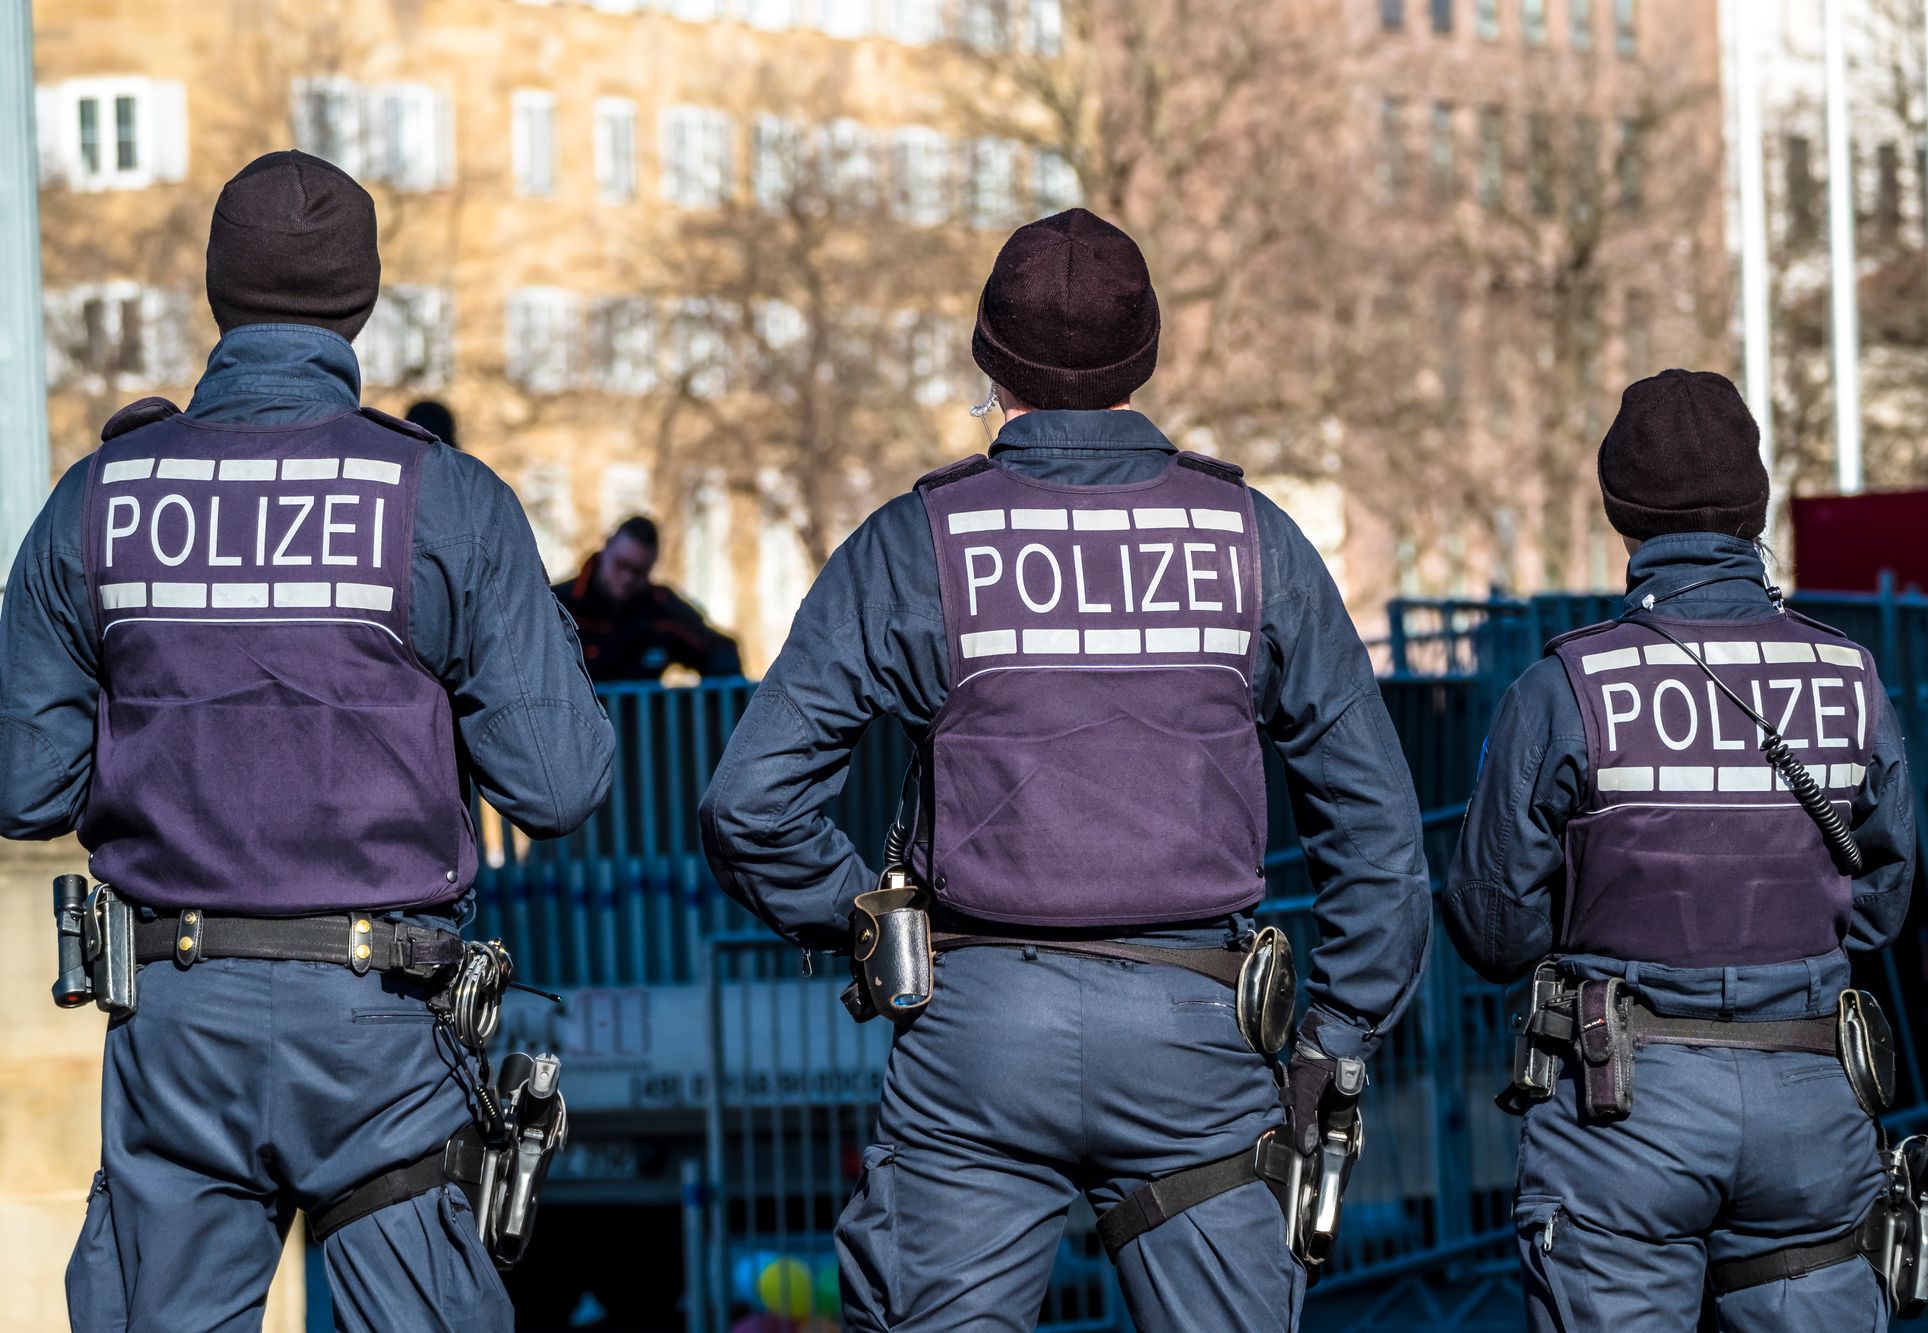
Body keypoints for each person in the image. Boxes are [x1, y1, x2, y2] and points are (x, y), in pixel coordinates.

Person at [699, 208, 1432, 1331]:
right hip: (1202, 1033)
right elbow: (1375, 824)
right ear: (1146, 357)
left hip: (976, 1039)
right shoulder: (1251, 538)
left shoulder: (918, 539)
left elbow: (754, 800)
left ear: (988, 360)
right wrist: (1335, 1037)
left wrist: (867, 931)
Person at [0, 150, 615, 1331]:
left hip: (175, 1024)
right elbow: (561, 782)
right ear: (363, 300)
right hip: (380, 1034)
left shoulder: (101, 495)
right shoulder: (443, 499)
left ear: (217, 293)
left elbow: (26, 786)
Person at [1443, 370, 1917, 1331]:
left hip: (1623, 1113)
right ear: (1757, 506)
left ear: (1622, 512)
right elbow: (1882, 898)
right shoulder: (1847, 673)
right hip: (1813, 1098)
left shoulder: (1567, 684)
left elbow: (1495, 926)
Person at [555, 515, 742, 681]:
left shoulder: (661, 610)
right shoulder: (560, 605)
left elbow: (719, 649)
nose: (627, 578)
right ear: (606, 549)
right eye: (621, 565)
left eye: (639, 572)